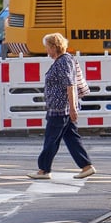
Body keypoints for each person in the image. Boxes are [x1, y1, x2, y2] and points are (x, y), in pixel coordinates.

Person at [27, 32, 96, 180]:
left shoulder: (63, 62)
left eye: (47, 47)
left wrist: (72, 108)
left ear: (54, 47)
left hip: (60, 109)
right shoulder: (65, 60)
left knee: (51, 139)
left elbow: (70, 85)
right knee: (71, 138)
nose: (46, 50)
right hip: (62, 108)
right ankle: (86, 166)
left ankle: (44, 170)